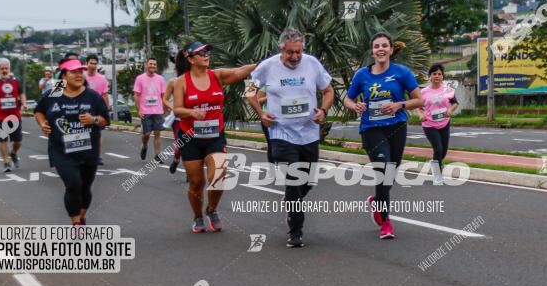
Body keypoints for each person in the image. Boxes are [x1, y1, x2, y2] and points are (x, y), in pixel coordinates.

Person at [247, 27, 335, 248]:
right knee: (293, 178)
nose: (295, 57)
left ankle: (290, 198)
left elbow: (329, 90)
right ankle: (296, 231)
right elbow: (250, 91)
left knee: (307, 181)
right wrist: (261, 114)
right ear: (281, 50)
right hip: (280, 131)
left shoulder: (312, 63)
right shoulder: (268, 66)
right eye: (290, 53)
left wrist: (323, 111)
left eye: (298, 52)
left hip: (308, 132)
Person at [343, 32, 423, 239]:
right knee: (384, 170)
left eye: (384, 46)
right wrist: (356, 106)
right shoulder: (362, 74)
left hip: (397, 126)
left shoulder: (402, 72)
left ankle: (376, 201)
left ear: (391, 49)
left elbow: (419, 100)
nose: (380, 49)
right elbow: (348, 100)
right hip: (371, 128)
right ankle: (386, 223)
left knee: (391, 172)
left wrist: (399, 105)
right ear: (372, 50)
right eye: (376, 46)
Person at [173, 41, 257, 233]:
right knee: (196, 183)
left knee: (218, 176)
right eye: (201, 52)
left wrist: (263, 64)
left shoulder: (217, 75)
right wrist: (191, 112)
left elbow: (239, 72)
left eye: (207, 51)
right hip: (190, 138)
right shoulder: (181, 82)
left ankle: (212, 210)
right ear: (190, 58)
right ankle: (197, 216)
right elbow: (177, 109)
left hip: (214, 136)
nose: (206, 54)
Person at [34, 59, 110, 225]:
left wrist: (93, 119)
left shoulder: (92, 96)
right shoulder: (55, 92)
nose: (78, 75)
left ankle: (81, 217)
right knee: (73, 184)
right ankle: (76, 223)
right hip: (62, 151)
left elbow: (106, 119)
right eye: (73, 72)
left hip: (88, 151)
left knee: (85, 188)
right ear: (64, 76)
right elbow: (39, 111)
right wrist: (42, 124)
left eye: (80, 71)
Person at [417, 64, 459, 185]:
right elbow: (418, 107)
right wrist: (420, 114)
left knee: (444, 150)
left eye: (439, 74)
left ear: (442, 76)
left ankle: (437, 162)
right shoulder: (423, 92)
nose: (437, 76)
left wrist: (450, 110)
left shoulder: (448, 90)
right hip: (429, 124)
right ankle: (437, 175)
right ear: (429, 76)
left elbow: (455, 103)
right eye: (434, 74)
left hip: (444, 122)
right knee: (438, 148)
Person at [0, 58, 25, 172]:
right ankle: (6, 163)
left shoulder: (16, 81)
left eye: (6, 68)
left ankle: (13, 153)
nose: (4, 70)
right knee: (2, 140)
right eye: (2, 68)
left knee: (18, 141)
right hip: (0, 116)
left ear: (9, 68)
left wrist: (24, 104)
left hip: (15, 116)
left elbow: (21, 94)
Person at [133, 57, 167, 162]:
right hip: (145, 111)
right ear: (147, 65)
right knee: (146, 134)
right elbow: (136, 95)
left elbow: (163, 95)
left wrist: (165, 109)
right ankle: (144, 146)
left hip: (157, 110)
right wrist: (139, 110)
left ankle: (157, 155)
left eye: (154, 64)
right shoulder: (140, 78)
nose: (152, 66)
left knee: (157, 133)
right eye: (151, 64)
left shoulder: (160, 79)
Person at [85, 54, 110, 165]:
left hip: (97, 111)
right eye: (91, 63)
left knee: (97, 133)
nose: (93, 65)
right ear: (87, 64)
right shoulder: (81, 76)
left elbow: (105, 95)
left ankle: (98, 156)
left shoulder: (102, 78)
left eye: (95, 63)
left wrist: (107, 110)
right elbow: (56, 92)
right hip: (83, 109)